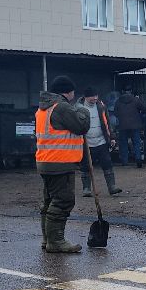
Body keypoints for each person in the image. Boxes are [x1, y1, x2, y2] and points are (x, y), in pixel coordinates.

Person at [35, 75, 90, 254]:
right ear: (68, 91)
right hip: (60, 162)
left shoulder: (43, 108)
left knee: (49, 200)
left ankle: (47, 239)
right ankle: (56, 241)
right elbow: (81, 125)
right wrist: (85, 112)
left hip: (45, 161)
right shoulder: (62, 107)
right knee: (63, 201)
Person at [79, 89, 122, 197]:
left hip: (101, 141)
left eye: (96, 95)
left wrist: (111, 137)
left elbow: (107, 122)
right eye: (92, 96)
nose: (95, 98)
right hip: (86, 143)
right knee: (85, 166)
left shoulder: (101, 106)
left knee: (107, 163)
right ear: (85, 97)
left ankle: (112, 187)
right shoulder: (78, 108)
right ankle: (87, 189)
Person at [114, 88, 146, 167]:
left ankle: (124, 161)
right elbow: (144, 109)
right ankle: (138, 159)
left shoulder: (118, 101)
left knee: (123, 143)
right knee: (136, 142)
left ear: (122, 91)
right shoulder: (136, 100)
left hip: (122, 126)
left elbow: (115, 112)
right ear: (131, 91)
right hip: (135, 125)